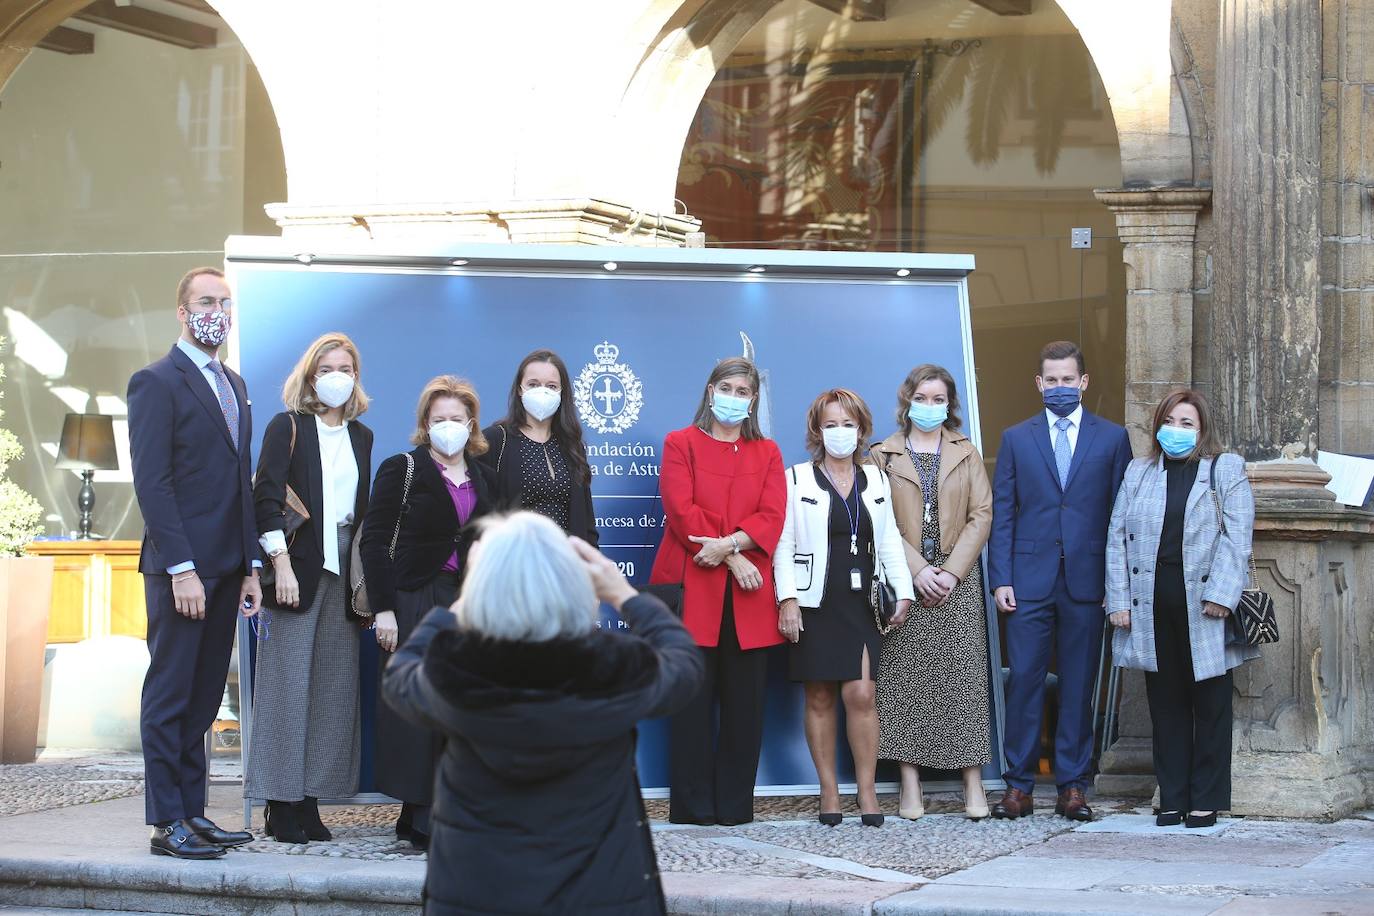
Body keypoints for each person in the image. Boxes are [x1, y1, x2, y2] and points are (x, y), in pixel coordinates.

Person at [383, 514, 703, 915]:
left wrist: (462, 602)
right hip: (597, 897)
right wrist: (624, 593)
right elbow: (685, 667)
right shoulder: (611, 667)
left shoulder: (456, 670)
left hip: (478, 896)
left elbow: (399, 676)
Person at [127, 266, 260, 859]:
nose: (217, 311)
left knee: (206, 698)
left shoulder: (233, 383)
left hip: (228, 568)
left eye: (224, 302)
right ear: (182, 312)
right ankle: (166, 822)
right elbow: (153, 484)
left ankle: (194, 812)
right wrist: (181, 566)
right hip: (181, 570)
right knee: (171, 693)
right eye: (206, 301)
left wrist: (251, 566)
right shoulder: (156, 381)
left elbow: (241, 483)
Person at [988, 340, 1132, 822]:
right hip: (1027, 580)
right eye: (1051, 380)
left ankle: (1073, 785)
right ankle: (1019, 785)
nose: (1060, 387)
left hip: (1088, 582)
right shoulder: (1016, 438)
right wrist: (1000, 577)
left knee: (1078, 683)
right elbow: (1003, 512)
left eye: (1068, 379)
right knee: (1024, 682)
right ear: (1038, 383)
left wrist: (1119, 585)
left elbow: (1120, 518)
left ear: (1084, 382)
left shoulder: (1112, 439)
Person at [1107, 388, 1258, 829]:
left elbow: (1238, 536)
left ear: (1202, 429)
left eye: (1186, 423)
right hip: (1150, 601)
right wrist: (1118, 601)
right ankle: (1172, 797)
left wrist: (1222, 595)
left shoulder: (1224, 470)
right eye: (1169, 421)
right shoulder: (1139, 472)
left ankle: (1205, 799)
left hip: (1206, 603)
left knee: (1210, 702)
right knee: (1165, 702)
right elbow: (1117, 537)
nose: (1176, 431)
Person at [245, 332, 374, 844]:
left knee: (333, 687)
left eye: (346, 368)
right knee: (286, 686)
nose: (337, 377)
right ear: (310, 376)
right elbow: (266, 497)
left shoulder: (361, 436)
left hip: (344, 569)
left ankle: (312, 800)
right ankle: (280, 803)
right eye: (327, 369)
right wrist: (282, 563)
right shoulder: (288, 427)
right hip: (295, 567)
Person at [359, 375, 498, 849]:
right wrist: (384, 610)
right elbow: (375, 543)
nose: (448, 427)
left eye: (456, 419)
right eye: (439, 420)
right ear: (424, 424)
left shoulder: (485, 478)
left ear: (471, 423)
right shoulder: (403, 469)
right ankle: (420, 818)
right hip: (415, 598)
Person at [649, 356, 786, 826]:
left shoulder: (766, 451)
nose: (733, 397)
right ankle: (691, 808)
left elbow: (772, 514)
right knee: (689, 706)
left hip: (749, 600)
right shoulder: (679, 443)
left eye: (743, 391)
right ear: (709, 391)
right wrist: (732, 554)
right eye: (726, 387)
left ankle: (734, 808)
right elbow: (680, 509)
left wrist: (730, 545)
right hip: (693, 591)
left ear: (753, 400)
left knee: (745, 710)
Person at [774, 389, 913, 827]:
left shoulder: (875, 479)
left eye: (848, 424)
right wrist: (788, 598)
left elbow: (889, 536)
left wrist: (903, 589)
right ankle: (829, 790)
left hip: (862, 600)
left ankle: (867, 792)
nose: (840, 433)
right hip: (815, 600)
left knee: (862, 693)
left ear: (861, 430)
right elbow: (783, 542)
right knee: (818, 696)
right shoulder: (795, 478)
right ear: (818, 431)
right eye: (831, 424)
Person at [872, 364, 994, 820]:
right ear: (907, 401)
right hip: (905, 583)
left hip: (956, 585)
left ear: (950, 404)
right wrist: (919, 570)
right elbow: (879, 521)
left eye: (937, 399)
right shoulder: (881, 455)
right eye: (921, 398)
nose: (929, 406)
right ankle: (910, 785)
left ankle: (973, 785)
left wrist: (951, 571)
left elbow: (982, 514)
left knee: (964, 683)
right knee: (905, 683)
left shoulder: (966, 451)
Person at [477, 349, 597, 544]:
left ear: (562, 392)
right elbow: (477, 515)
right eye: (533, 384)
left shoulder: (572, 446)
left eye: (551, 386)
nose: (542, 391)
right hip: (515, 562)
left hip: (566, 562)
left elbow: (587, 523)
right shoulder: (496, 439)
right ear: (519, 389)